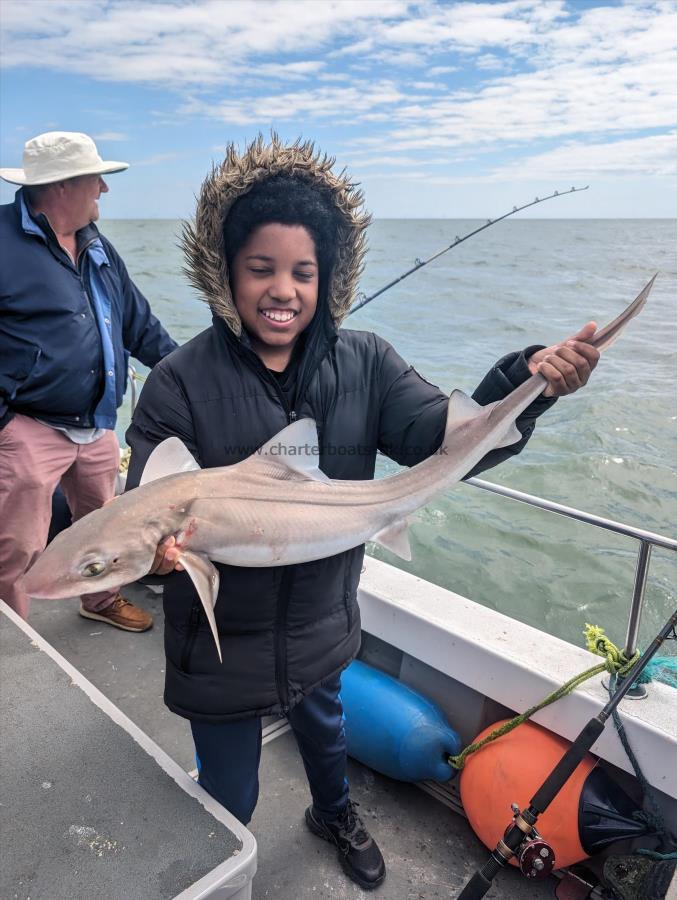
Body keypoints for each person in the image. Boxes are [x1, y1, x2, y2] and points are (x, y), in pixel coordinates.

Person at [124, 136, 599, 890]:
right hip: (219, 650)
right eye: (261, 269)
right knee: (229, 798)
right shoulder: (179, 383)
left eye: (302, 273)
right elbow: (137, 502)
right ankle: (221, 866)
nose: (282, 290)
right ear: (225, 272)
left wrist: (526, 380)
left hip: (321, 624)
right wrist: (151, 554)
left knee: (328, 742)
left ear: (328, 277)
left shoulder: (366, 362)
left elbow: (443, 439)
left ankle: (334, 812)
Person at [0, 131, 178, 630]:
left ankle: (99, 600)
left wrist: (196, 375)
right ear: (62, 186)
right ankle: (13, 639)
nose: (104, 188)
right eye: (96, 178)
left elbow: (140, 326)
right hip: (28, 429)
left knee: (106, 531)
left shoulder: (98, 248)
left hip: (96, 425)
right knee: (17, 546)